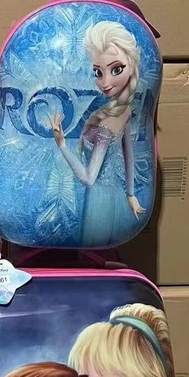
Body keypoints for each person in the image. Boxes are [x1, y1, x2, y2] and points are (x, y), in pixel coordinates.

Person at [50, 21, 145, 246]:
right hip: (115, 196)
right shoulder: (123, 111)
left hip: (99, 200)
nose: (106, 83)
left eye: (116, 70)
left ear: (132, 64)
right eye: (98, 72)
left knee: (89, 248)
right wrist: (130, 194)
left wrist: (62, 145)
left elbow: (88, 179)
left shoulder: (107, 126)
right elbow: (129, 155)